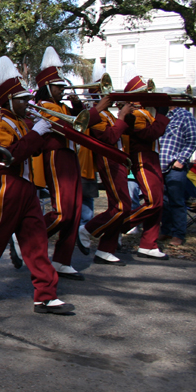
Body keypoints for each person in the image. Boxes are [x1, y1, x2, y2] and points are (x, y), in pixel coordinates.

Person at [0, 56, 72, 315]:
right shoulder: (2, 126)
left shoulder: (21, 122)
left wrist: (43, 133)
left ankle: (45, 294)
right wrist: (37, 133)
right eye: (21, 99)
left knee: (37, 240)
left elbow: (31, 151)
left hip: (26, 187)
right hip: (9, 187)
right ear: (9, 100)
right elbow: (10, 156)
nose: (27, 103)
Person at [33, 46, 107, 281]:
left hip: (70, 155)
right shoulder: (44, 106)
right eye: (58, 86)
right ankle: (27, 236)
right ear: (46, 87)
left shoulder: (63, 106)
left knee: (74, 213)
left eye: (63, 85)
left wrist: (78, 107)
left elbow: (79, 126)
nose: (63, 89)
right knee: (62, 211)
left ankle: (63, 259)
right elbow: (66, 127)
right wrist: (97, 110)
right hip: (56, 156)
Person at [77, 63, 134, 266]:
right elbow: (108, 137)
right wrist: (121, 118)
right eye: (103, 90)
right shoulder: (96, 114)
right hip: (108, 160)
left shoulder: (107, 114)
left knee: (118, 207)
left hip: (119, 159)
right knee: (122, 207)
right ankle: (88, 229)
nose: (108, 93)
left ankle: (105, 249)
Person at [120, 76, 170, 260]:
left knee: (158, 204)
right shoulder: (134, 115)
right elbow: (151, 134)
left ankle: (149, 244)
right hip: (142, 158)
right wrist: (162, 114)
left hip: (151, 158)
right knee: (153, 202)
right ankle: (117, 225)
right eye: (143, 93)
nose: (148, 96)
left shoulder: (144, 112)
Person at [158, 104, 196, 246]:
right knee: (163, 201)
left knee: (176, 201)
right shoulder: (161, 116)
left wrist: (181, 160)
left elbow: (193, 140)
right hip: (159, 165)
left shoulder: (185, 116)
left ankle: (178, 234)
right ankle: (166, 230)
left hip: (175, 166)